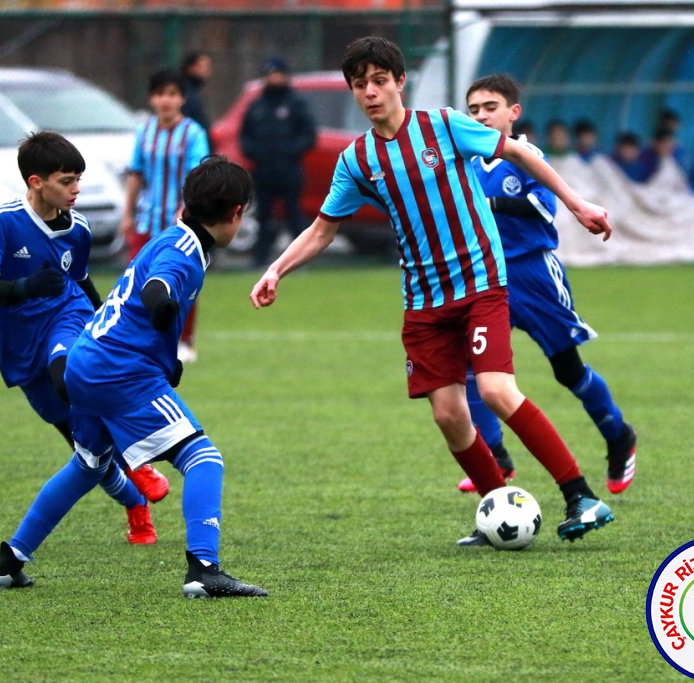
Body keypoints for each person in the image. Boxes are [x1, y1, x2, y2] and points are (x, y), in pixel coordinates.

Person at [250, 36, 616, 546]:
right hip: (424, 300)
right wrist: (276, 270)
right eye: (361, 85)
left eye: (380, 81)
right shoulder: (357, 160)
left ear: (400, 82)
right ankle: (496, 509)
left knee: (494, 390)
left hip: (481, 282)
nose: (371, 92)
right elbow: (321, 229)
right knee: (448, 414)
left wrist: (578, 204)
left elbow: (518, 152)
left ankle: (580, 495)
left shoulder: (442, 125)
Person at [0, 155, 268, 598]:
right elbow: (160, 287)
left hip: (84, 363)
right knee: (203, 458)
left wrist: (166, 351)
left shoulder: (173, 237)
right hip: (119, 372)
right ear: (236, 213)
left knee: (88, 464)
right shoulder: (184, 253)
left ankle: (10, 560)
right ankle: (204, 569)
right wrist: (163, 307)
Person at [0, 131, 169, 549]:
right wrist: (27, 286)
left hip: (67, 317)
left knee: (68, 374)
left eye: (79, 179)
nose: (77, 190)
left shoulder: (79, 228)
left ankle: (138, 458)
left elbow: (80, 280)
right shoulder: (2, 222)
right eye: (66, 181)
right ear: (36, 182)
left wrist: (101, 321)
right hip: (20, 340)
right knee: (84, 451)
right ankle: (134, 502)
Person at [456, 74, 636, 497]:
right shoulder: (463, 161)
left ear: (513, 113)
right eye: (474, 109)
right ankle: (495, 456)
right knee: (471, 366)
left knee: (567, 370)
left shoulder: (527, 156)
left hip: (534, 275)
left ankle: (619, 435)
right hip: (485, 277)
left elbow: (541, 205)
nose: (481, 116)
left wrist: (489, 203)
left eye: (490, 107)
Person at [122, 69, 210, 362]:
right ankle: (141, 340)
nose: (166, 100)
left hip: (180, 224)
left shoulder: (193, 133)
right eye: (160, 94)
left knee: (183, 280)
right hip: (148, 220)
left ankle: (184, 340)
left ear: (182, 98)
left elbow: (198, 174)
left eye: (172, 94)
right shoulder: (144, 131)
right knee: (137, 279)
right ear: (151, 98)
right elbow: (136, 175)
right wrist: (127, 213)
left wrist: (187, 208)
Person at [240, 56, 318, 268]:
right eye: (269, 74)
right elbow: (244, 136)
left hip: (289, 170)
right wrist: (255, 152)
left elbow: (309, 136)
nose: (273, 78)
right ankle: (259, 260)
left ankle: (301, 260)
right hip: (264, 171)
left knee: (293, 216)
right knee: (264, 217)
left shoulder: (295, 104)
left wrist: (289, 151)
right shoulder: (257, 105)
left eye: (276, 74)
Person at [180, 50, 213, 134]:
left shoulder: (193, 91)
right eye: (203, 66)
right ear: (190, 67)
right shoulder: (186, 92)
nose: (207, 71)